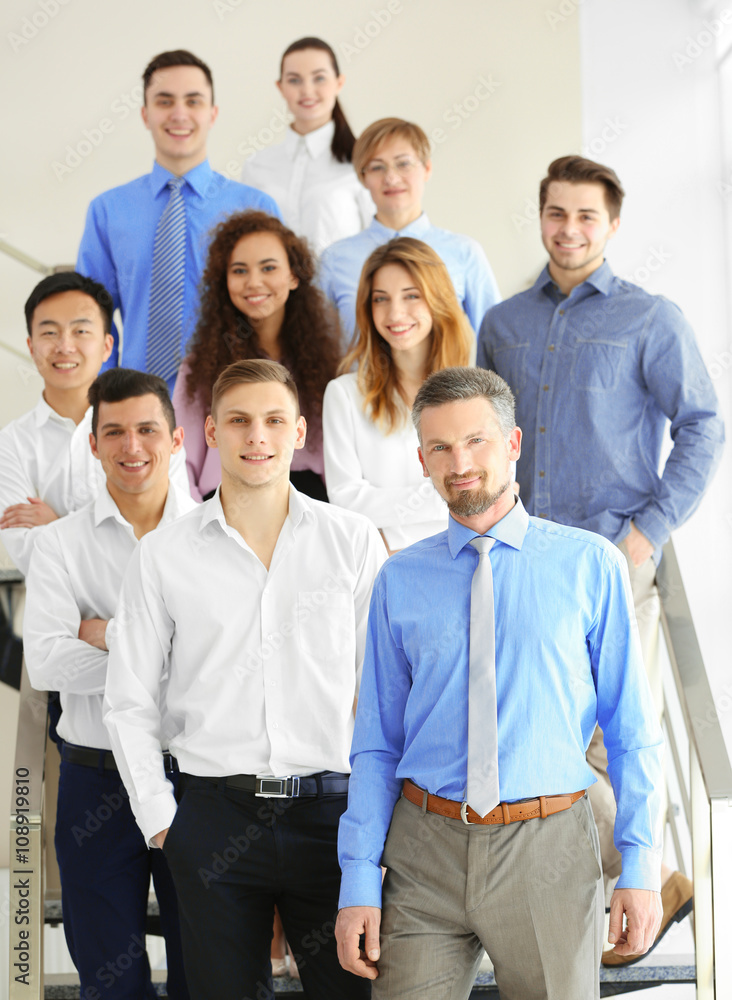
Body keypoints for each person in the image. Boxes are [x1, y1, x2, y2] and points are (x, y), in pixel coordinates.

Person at [336, 366, 665, 1000]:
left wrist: (642, 866)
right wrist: (357, 881)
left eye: (476, 441)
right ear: (423, 461)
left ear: (513, 443)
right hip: (423, 850)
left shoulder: (590, 565)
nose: (459, 462)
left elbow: (631, 733)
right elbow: (376, 745)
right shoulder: (399, 580)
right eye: (440, 447)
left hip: (549, 851)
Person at [476, 155, 724, 962]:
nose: (570, 229)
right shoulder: (503, 323)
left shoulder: (651, 318)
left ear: (612, 225)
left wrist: (645, 535)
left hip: (615, 559)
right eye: (557, 213)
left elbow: (702, 425)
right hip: (520, 558)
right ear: (540, 217)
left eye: (587, 216)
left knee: (614, 729)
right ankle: (636, 881)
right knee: (537, 729)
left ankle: (631, 882)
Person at [104, 359, 385, 1000]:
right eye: (238, 421)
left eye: (273, 420)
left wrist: (374, 821)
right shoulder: (164, 555)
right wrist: (163, 823)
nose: (256, 435)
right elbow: (129, 703)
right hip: (211, 819)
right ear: (209, 432)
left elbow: (384, 697)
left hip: (334, 818)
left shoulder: (354, 541)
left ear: (298, 432)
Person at [23, 368, 197, 1000]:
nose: (132, 447)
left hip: (197, 776)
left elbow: (225, 661)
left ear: (177, 440)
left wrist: (107, 635)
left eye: (148, 429)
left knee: (206, 969)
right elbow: (45, 661)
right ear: (92, 444)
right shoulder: (59, 546)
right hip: (95, 775)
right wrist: (157, 658)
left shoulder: (213, 537)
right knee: (108, 976)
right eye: (115, 432)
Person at [76, 49, 280, 389]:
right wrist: (107, 390)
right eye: (165, 101)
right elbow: (90, 317)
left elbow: (279, 316)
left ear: (213, 113)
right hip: (136, 405)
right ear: (145, 114)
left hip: (236, 402)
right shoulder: (108, 211)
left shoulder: (255, 207)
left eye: (194, 101)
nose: (179, 114)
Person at [0, 272, 191, 577]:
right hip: (61, 619)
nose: (64, 346)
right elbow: (31, 558)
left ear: (106, 345)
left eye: (80, 331)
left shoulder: (152, 430)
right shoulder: (10, 445)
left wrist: (56, 526)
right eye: (49, 333)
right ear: (31, 345)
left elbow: (178, 540)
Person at [172, 210, 341, 502]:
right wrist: (197, 523)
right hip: (225, 501)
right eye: (239, 270)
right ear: (224, 280)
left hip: (312, 502)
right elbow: (180, 461)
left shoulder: (327, 363)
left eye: (268, 268)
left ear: (293, 275)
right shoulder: (199, 368)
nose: (253, 282)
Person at [323, 237, 472, 553]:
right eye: (380, 299)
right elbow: (345, 499)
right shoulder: (344, 395)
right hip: (380, 569)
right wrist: (452, 494)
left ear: (437, 299)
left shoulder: (478, 393)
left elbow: (492, 493)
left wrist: (390, 532)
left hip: (466, 562)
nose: (395, 313)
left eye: (411, 296)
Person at [318, 118, 500, 343]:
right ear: (362, 177)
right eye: (377, 167)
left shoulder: (465, 252)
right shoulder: (335, 259)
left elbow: (496, 341)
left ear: (427, 168)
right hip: (358, 379)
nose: (391, 178)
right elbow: (316, 347)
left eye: (403, 164)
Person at [240, 36, 373, 256]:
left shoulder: (362, 162)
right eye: (294, 80)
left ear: (339, 83)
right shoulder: (257, 166)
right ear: (280, 87)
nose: (307, 90)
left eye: (319, 78)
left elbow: (379, 245)